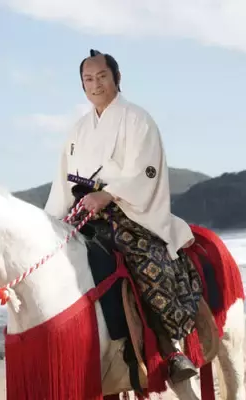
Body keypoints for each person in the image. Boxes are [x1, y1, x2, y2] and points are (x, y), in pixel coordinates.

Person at [44, 49, 203, 383]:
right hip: (83, 211)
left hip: (128, 211)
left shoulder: (137, 119)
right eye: (88, 79)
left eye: (102, 76)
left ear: (116, 77)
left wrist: (108, 194)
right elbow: (62, 182)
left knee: (146, 262)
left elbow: (146, 171)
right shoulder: (78, 130)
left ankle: (171, 349)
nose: (96, 84)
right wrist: (50, 224)